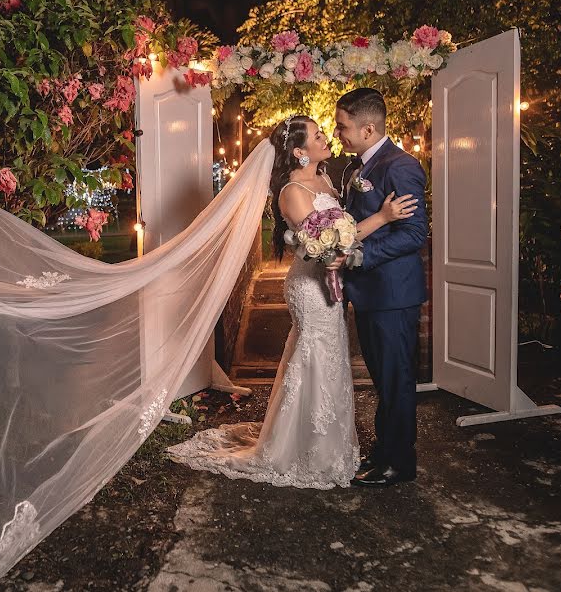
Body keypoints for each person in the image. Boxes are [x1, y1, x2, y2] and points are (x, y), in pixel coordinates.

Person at [166, 115, 417, 489]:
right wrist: (382, 218)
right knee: (313, 355)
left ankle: (332, 445)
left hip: (331, 284)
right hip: (311, 287)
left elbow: (340, 230)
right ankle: (307, 449)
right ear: (299, 151)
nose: (327, 137)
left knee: (330, 358)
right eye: (318, 135)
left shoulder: (328, 178)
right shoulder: (291, 192)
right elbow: (328, 243)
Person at [334, 87, 428, 487]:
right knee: (383, 377)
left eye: (343, 127)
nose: (338, 134)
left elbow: (414, 233)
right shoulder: (362, 166)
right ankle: (385, 449)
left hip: (392, 294)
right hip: (372, 293)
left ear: (368, 128)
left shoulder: (400, 167)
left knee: (396, 378)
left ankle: (399, 462)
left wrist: (360, 257)